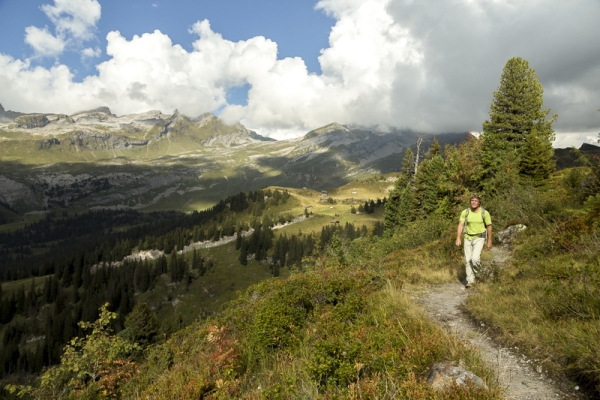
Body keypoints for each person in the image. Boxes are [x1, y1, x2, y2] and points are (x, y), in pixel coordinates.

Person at [455, 194, 492, 288]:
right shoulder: (466, 212)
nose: (473, 202)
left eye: (475, 200)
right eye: (472, 200)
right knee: (468, 260)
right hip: (467, 237)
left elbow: (489, 226)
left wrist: (489, 241)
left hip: (479, 238)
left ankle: (479, 275)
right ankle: (470, 281)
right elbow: (460, 225)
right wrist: (458, 237)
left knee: (475, 258)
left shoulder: (484, 213)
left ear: (479, 202)